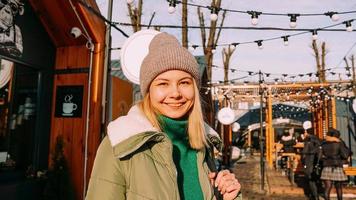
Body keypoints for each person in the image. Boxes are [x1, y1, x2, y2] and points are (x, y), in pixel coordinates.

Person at [86, 32, 241, 200]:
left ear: (194, 90)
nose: (175, 93)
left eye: (184, 83)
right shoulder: (120, 144)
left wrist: (225, 197)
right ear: (149, 91)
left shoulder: (204, 144)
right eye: (163, 84)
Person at [320, 128, 350, 200]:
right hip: (337, 166)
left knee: (327, 188)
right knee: (339, 188)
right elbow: (345, 155)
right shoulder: (339, 143)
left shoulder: (323, 144)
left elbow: (320, 157)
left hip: (326, 167)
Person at [301, 129, 321, 200]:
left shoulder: (308, 140)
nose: (304, 133)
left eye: (305, 132)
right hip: (317, 161)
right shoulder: (318, 139)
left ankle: (315, 196)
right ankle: (316, 194)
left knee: (310, 179)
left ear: (308, 133)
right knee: (315, 178)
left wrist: (303, 162)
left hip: (309, 160)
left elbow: (304, 152)